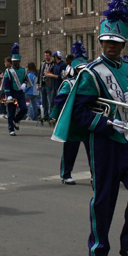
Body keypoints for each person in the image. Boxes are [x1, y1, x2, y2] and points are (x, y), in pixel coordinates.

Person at [52, 0, 128, 256]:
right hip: (104, 141)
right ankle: (98, 252)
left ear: (123, 45)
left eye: (116, 42)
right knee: (105, 198)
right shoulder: (91, 72)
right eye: (107, 41)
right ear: (100, 42)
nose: (111, 46)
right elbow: (80, 112)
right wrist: (106, 123)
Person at [51, 41, 89, 184]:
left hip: (88, 121)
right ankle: (66, 174)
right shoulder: (69, 84)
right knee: (70, 151)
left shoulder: (91, 84)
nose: (83, 73)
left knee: (93, 151)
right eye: (80, 70)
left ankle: (95, 175)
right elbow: (59, 101)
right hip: (74, 122)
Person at [3, 44, 31, 135]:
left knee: (23, 108)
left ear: (19, 61)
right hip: (12, 92)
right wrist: (8, 95)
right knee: (11, 111)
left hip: (20, 92)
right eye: (13, 61)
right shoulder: (9, 71)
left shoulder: (23, 70)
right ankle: (11, 129)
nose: (14, 63)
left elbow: (26, 79)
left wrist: (24, 84)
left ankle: (15, 120)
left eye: (15, 61)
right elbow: (6, 84)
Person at [39, 50, 56, 121]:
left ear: (50, 56)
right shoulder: (43, 63)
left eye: (47, 55)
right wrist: (38, 83)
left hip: (49, 84)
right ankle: (45, 115)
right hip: (42, 83)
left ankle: (50, 115)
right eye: (45, 55)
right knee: (43, 101)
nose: (46, 57)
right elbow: (40, 73)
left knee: (50, 101)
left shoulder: (53, 64)